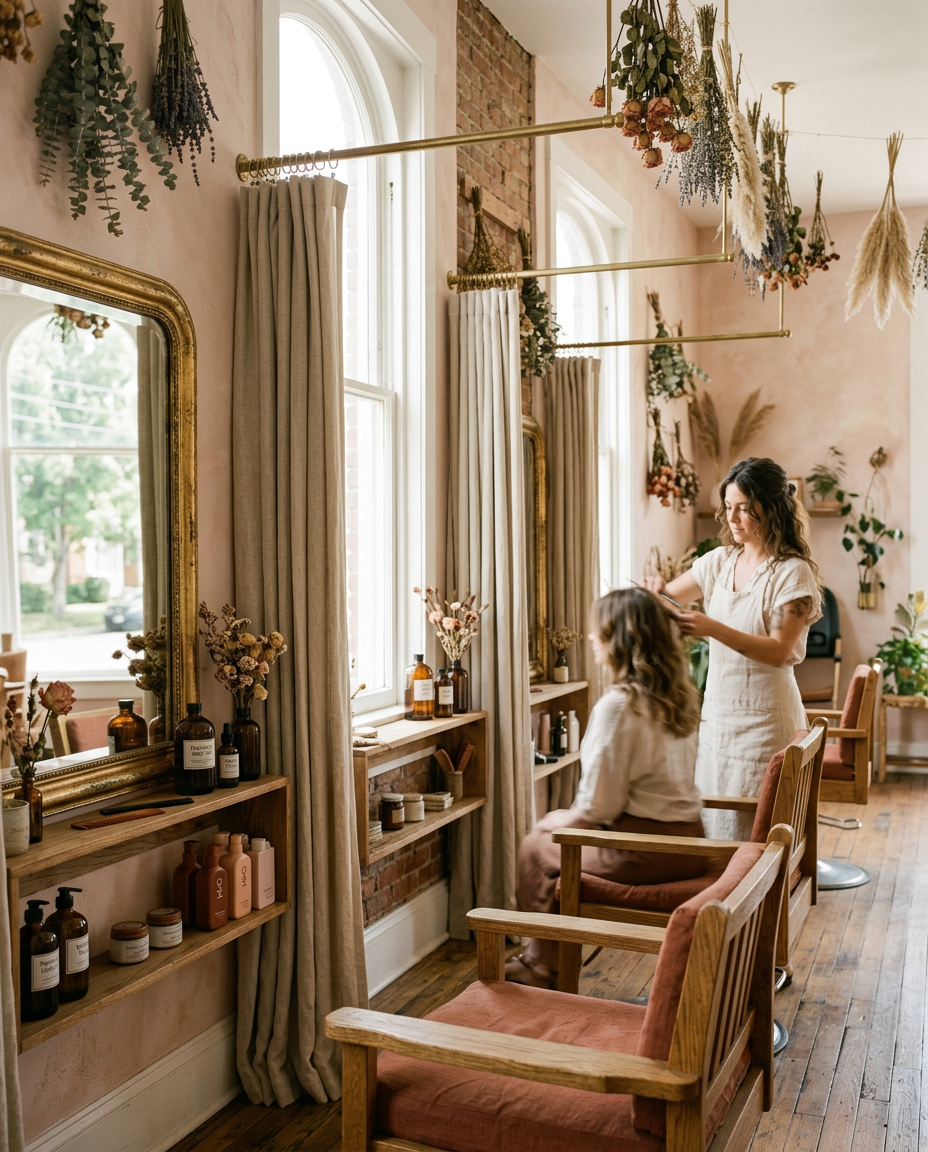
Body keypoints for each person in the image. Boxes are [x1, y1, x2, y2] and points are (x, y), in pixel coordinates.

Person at [506, 587, 706, 989]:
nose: (593, 639)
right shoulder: (678, 696)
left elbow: (599, 806)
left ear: (618, 640)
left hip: (649, 852)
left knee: (536, 846)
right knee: (556, 844)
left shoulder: (619, 705)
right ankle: (545, 960)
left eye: (600, 631)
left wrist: (558, 820)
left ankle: (542, 966)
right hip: (690, 841)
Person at [644, 457, 821, 840]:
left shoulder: (792, 572)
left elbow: (778, 650)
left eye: (745, 508)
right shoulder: (718, 563)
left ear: (771, 509)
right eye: (728, 507)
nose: (734, 518)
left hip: (766, 721)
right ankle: (723, 896)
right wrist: (653, 590)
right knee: (718, 823)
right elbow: (666, 598)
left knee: (759, 833)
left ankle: (760, 899)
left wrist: (711, 629)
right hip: (719, 717)